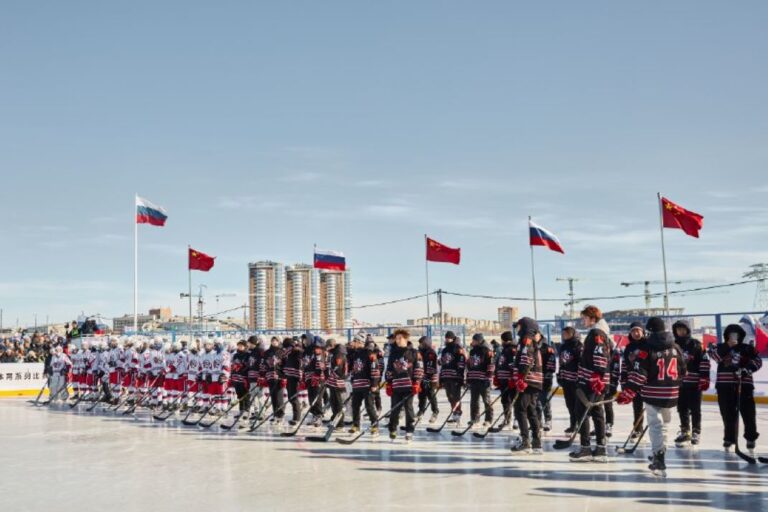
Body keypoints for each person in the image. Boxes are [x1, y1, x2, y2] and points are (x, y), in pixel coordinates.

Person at [618, 317, 685, 476]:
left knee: (655, 425)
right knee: (665, 424)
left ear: (649, 331)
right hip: (671, 393)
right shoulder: (676, 347)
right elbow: (683, 371)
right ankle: (660, 452)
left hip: (653, 393)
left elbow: (639, 374)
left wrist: (629, 391)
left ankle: (659, 459)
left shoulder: (646, 348)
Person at [708, 323, 762, 454]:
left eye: (736, 334)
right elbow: (714, 356)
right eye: (730, 334)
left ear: (740, 336)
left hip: (744, 386)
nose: (733, 336)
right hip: (724, 387)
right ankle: (729, 438)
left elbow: (758, 361)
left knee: (748, 413)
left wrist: (746, 370)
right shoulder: (720, 347)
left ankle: (750, 437)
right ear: (726, 336)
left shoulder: (747, 348)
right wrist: (727, 346)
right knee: (727, 414)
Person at [569, 305, 611, 463]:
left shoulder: (596, 333)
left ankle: (586, 448)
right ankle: (600, 449)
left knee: (582, 412)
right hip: (594, 380)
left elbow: (601, 355)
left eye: (585, 318)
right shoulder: (599, 332)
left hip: (592, 381)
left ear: (593, 318)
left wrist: (597, 376)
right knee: (597, 413)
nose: (583, 321)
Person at [672, 320, 710, 447]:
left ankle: (696, 432)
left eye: (683, 329)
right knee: (681, 408)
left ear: (688, 330)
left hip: (694, 383)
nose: (680, 331)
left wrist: (704, 378)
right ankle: (685, 431)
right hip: (679, 383)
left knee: (695, 409)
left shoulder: (696, 344)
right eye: (678, 329)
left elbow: (704, 361)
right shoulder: (673, 345)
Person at [510, 317, 544, 455]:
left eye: (518, 326)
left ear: (525, 327)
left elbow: (526, 360)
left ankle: (526, 442)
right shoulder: (529, 341)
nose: (517, 329)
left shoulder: (526, 341)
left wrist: (520, 378)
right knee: (530, 410)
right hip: (533, 381)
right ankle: (536, 442)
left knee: (520, 409)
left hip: (528, 381)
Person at [385, 329, 424, 443]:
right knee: (394, 409)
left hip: (409, 386)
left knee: (408, 408)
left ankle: (409, 431)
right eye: (396, 338)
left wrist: (416, 382)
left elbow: (419, 368)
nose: (397, 340)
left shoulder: (414, 352)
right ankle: (393, 429)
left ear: (406, 339)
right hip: (396, 385)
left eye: (400, 338)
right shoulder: (393, 353)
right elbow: (389, 369)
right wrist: (389, 383)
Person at [620, 322, 647, 441]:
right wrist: (624, 381)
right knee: (637, 407)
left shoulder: (648, 345)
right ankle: (637, 429)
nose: (636, 333)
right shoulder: (628, 347)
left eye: (638, 330)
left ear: (643, 331)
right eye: (633, 331)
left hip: (647, 381)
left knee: (652, 408)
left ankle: (658, 433)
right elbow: (625, 365)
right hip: (633, 382)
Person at [349, 335, 381, 434]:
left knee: (369, 406)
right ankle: (356, 425)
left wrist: (374, 384)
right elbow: (353, 369)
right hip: (357, 385)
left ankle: (374, 425)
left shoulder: (370, 354)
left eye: (354, 341)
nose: (353, 343)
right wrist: (353, 380)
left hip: (367, 385)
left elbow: (375, 369)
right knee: (355, 406)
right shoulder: (355, 354)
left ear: (360, 342)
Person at [557, 326, 582, 434]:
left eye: (566, 333)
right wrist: (560, 375)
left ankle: (580, 425)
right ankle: (573, 425)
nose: (564, 335)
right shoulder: (563, 346)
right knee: (569, 404)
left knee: (577, 405)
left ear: (572, 334)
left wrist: (579, 378)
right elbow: (562, 363)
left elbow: (581, 363)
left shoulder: (578, 346)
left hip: (575, 381)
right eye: (563, 333)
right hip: (566, 380)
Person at [467, 333, 495, 427]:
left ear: (478, 341)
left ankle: (488, 419)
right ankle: (474, 419)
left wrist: (488, 378)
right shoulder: (472, 351)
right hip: (474, 379)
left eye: (474, 340)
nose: (472, 342)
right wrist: (469, 377)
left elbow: (491, 364)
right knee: (474, 401)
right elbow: (469, 365)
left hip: (483, 379)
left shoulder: (487, 350)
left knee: (486, 400)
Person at [439, 330, 466, 423]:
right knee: (450, 396)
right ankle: (454, 413)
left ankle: (458, 413)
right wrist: (441, 377)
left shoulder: (458, 349)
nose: (447, 339)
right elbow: (442, 363)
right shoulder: (444, 350)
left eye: (449, 338)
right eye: (446, 338)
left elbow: (461, 363)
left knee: (456, 396)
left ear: (453, 338)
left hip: (455, 377)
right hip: (446, 376)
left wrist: (460, 376)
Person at [494, 331, 518, 431]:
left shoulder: (512, 350)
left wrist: (512, 378)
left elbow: (513, 365)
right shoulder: (503, 350)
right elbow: (499, 364)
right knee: (505, 401)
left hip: (510, 381)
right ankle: (507, 419)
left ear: (505, 340)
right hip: (503, 380)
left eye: (502, 340)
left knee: (513, 400)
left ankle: (516, 420)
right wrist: (497, 375)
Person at [281, 338, 305, 425]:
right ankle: (296, 416)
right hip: (289, 375)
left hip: (295, 376)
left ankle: (296, 418)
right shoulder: (290, 351)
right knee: (291, 398)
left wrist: (301, 377)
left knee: (294, 398)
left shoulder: (298, 351)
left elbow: (301, 363)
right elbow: (283, 355)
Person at [304, 336, 327, 427]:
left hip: (319, 380)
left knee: (317, 399)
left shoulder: (322, 354)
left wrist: (317, 376)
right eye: (315, 348)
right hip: (310, 378)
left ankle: (319, 416)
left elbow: (322, 367)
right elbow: (307, 366)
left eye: (318, 348)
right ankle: (314, 415)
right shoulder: (311, 354)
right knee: (311, 399)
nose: (316, 349)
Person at [326, 339, 349, 429]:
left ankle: (340, 423)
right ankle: (334, 419)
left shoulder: (339, 353)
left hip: (337, 382)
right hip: (333, 382)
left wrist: (333, 375)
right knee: (333, 401)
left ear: (332, 345)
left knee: (338, 403)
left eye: (328, 346)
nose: (327, 349)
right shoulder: (334, 353)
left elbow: (338, 369)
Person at [536, 334, 557, 431]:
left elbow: (552, 363)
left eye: (535, 335)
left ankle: (548, 420)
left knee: (545, 399)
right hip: (534, 378)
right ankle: (537, 420)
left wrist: (548, 373)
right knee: (535, 401)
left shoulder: (547, 348)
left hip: (545, 378)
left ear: (539, 335)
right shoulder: (531, 347)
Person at [417, 336, 440, 423]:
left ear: (426, 343)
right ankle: (421, 411)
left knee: (430, 395)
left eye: (421, 344)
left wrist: (428, 378)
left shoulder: (431, 353)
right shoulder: (421, 352)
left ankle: (435, 411)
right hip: (423, 377)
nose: (420, 345)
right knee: (421, 394)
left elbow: (432, 367)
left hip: (430, 378)